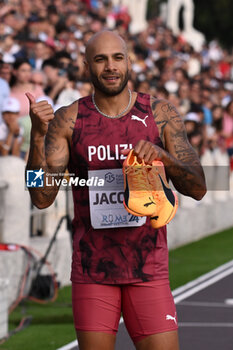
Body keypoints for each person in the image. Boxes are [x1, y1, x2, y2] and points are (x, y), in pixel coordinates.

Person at [26, 30, 206, 350]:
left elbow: (199, 187)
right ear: (86, 67)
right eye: (100, 59)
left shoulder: (159, 114)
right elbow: (41, 197)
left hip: (147, 267)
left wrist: (164, 157)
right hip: (93, 270)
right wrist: (37, 136)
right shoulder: (69, 119)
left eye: (117, 58)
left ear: (129, 63)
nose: (110, 66)